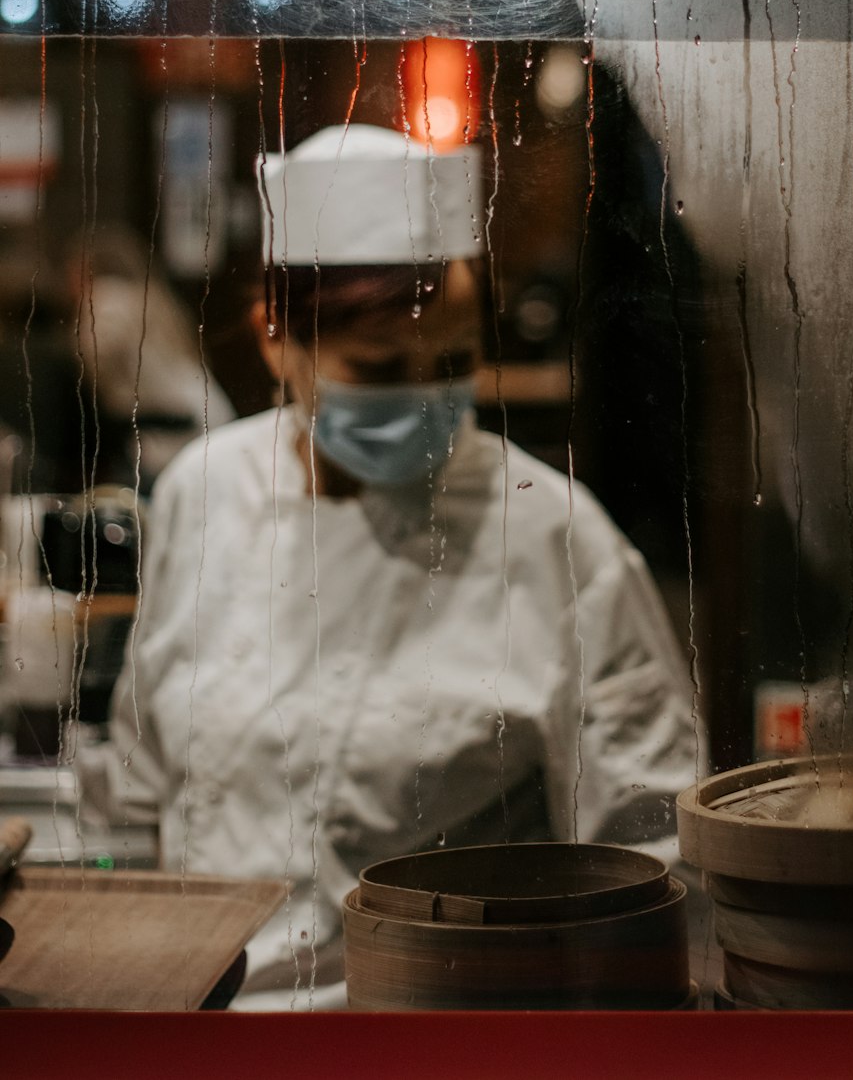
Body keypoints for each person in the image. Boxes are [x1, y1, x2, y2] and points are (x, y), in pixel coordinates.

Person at [76, 125, 698, 1010]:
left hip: (435, 1031)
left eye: (450, 363)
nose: (422, 398)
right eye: (376, 368)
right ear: (274, 341)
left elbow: (647, 847)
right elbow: (143, 786)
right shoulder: (205, 492)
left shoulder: (556, 535)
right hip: (200, 1019)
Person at [69, 225, 235, 490]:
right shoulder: (151, 297)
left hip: (170, 429)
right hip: (206, 412)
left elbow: (94, 365)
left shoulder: (106, 299)